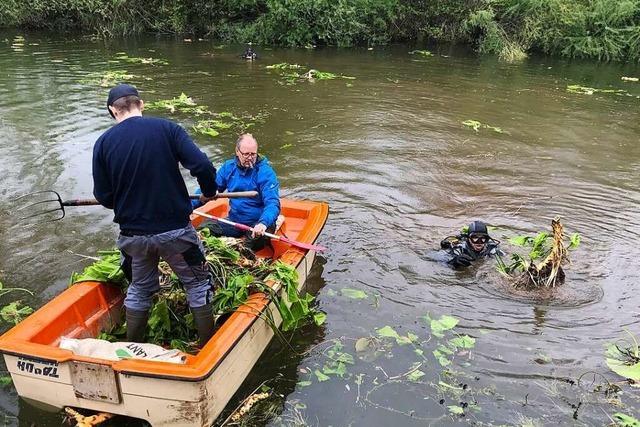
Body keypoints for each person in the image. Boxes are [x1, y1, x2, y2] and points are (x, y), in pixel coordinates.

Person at [92, 83, 218, 346]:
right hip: (175, 233)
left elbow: (104, 197)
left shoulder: (103, 144)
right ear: (142, 104)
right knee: (197, 284)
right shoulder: (167, 129)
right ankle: (207, 346)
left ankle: (132, 347)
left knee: (139, 289)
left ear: (112, 111)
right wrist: (208, 192)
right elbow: (203, 166)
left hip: (133, 237)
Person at [198, 133, 280, 253]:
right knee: (204, 229)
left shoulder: (266, 173)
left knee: (244, 249)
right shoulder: (228, 167)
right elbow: (209, 189)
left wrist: (263, 223)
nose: (250, 158)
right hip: (235, 221)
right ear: (237, 151)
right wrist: (187, 206)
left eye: (253, 154)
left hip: (258, 224)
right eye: (246, 154)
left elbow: (273, 203)